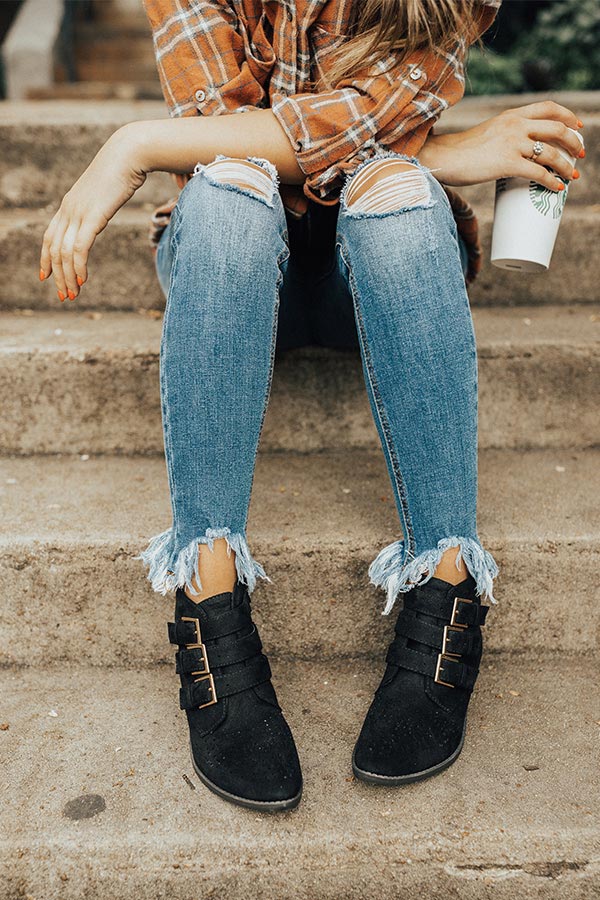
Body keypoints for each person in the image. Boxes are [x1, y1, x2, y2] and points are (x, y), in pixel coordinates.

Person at [39, 0, 584, 812]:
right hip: (235, 257)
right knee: (229, 187)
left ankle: (448, 577)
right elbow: (225, 138)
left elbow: (363, 126)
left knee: (393, 187)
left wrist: (145, 144)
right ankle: (208, 588)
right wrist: (446, 151)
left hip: (370, 265)